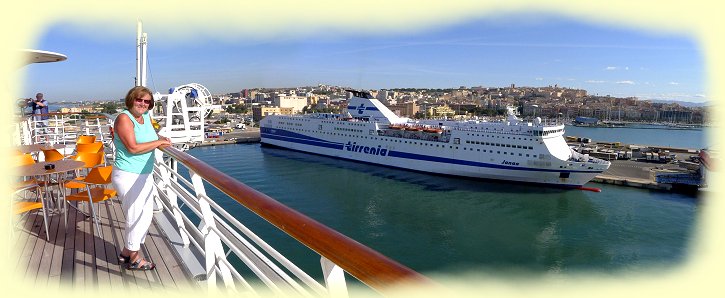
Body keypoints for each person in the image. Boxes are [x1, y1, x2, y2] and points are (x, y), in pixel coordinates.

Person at [112, 86, 171, 271]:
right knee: (136, 216)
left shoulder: (145, 117)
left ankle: (125, 253)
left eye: (146, 101)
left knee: (144, 216)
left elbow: (150, 135)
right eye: (139, 100)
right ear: (131, 100)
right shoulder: (124, 118)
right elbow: (133, 148)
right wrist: (159, 143)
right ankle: (135, 258)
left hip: (144, 174)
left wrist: (161, 137)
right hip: (129, 175)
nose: (143, 104)